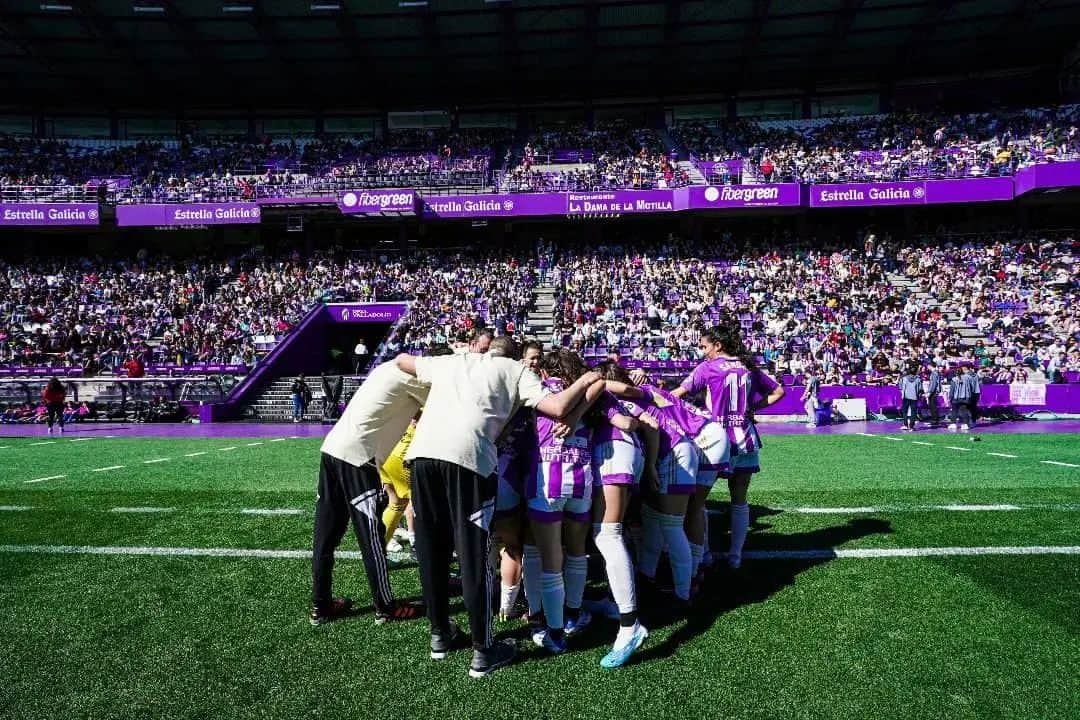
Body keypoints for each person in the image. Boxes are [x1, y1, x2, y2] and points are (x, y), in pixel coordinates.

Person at [395, 336, 602, 678]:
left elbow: (403, 360)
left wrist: (460, 354)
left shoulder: (455, 361)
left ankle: (440, 635)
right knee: (475, 553)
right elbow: (558, 408)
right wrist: (585, 379)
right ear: (517, 355)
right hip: (469, 460)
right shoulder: (516, 370)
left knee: (432, 549)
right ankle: (483, 650)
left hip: (421, 456)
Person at [310, 360, 430, 627]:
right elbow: (447, 406)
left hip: (332, 449)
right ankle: (385, 607)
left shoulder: (388, 368)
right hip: (358, 457)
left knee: (325, 537)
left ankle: (320, 605)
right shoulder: (418, 378)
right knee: (371, 539)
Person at [672, 323, 785, 570]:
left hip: (716, 441)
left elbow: (677, 394)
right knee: (739, 500)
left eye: (704, 346)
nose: (703, 351)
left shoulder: (708, 367)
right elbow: (779, 391)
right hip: (746, 438)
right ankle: (735, 555)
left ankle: (705, 553)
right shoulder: (747, 365)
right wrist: (752, 408)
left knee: (698, 501)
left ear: (718, 345)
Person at [379, 413, 418, 557]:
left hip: (387, 451)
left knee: (396, 503)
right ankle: (418, 545)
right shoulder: (429, 396)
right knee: (420, 504)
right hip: (405, 455)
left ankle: (378, 554)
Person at [898, 364, 922, 431]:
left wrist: (902, 394)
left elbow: (900, 387)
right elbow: (920, 389)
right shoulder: (918, 379)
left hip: (906, 397)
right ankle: (911, 426)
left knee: (904, 411)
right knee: (913, 412)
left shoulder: (904, 378)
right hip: (914, 397)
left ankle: (905, 425)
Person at [948, 367, 973, 432]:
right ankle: (966, 424)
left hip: (956, 398)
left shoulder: (954, 379)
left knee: (954, 411)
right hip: (965, 397)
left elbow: (952, 390)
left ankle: (953, 424)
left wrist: (950, 398)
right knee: (964, 410)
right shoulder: (968, 378)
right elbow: (971, 387)